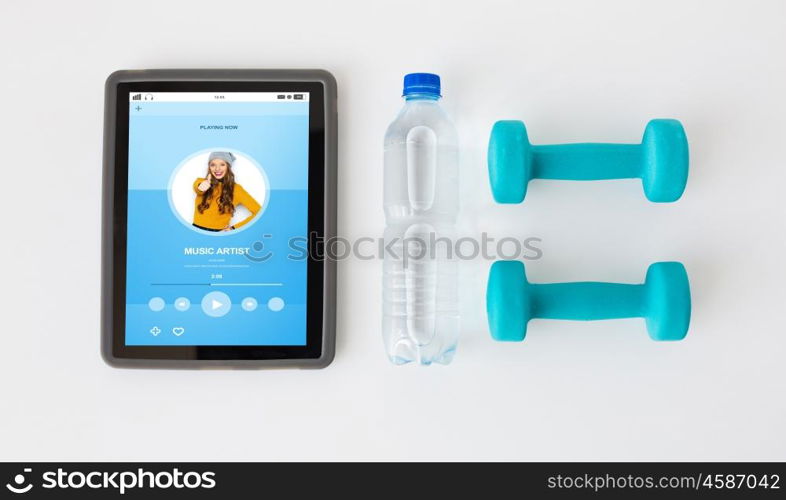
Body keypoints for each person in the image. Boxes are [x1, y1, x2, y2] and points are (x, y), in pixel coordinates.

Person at [192, 152, 261, 231]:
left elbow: (259, 212)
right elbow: (197, 187)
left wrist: (234, 228)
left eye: (222, 164)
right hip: (195, 230)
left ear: (228, 167)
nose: (217, 168)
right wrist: (201, 187)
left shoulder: (236, 189)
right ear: (209, 167)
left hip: (219, 233)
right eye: (213, 165)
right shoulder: (201, 181)